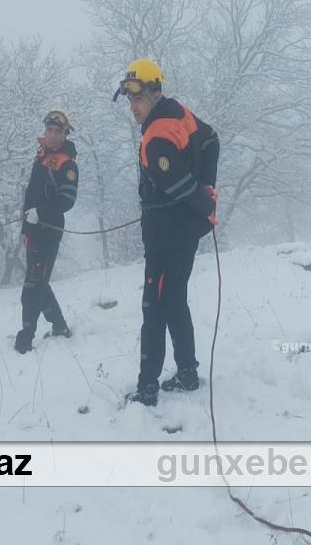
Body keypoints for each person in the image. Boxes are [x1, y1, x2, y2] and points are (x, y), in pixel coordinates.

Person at [113, 58, 219, 407]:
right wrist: (207, 188)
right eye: (129, 99)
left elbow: (176, 182)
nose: (133, 106)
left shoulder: (156, 139)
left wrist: (203, 200)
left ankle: (147, 389)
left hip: (167, 238)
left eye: (138, 97)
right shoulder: (179, 114)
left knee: (154, 307)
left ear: (155, 92)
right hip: (184, 232)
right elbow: (211, 139)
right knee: (174, 300)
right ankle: (187, 373)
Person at [15, 109, 78, 354]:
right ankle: (60, 326)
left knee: (32, 287)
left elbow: (67, 199)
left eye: (57, 131)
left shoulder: (67, 163)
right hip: (33, 229)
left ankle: (24, 340)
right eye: (49, 130)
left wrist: (40, 212)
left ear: (65, 133)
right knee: (39, 282)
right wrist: (26, 228)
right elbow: (32, 193)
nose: (52, 135)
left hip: (49, 230)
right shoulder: (42, 154)